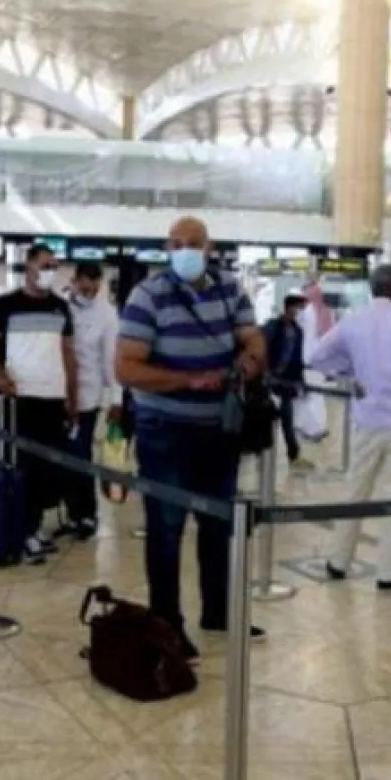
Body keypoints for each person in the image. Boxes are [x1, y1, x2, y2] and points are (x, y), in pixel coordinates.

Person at [117, 216, 267, 657]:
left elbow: (255, 343)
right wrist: (192, 381)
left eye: (193, 244)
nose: (184, 250)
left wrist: (241, 368)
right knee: (166, 528)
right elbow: (126, 368)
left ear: (209, 247)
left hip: (219, 430)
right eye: (176, 244)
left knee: (218, 526)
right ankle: (168, 623)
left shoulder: (229, 289)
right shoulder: (148, 295)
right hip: (165, 431)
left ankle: (217, 612)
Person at [309, 264, 391, 591]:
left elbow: (318, 356)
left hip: (368, 421)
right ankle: (387, 572)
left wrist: (349, 375)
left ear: (371, 288)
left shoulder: (353, 321)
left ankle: (339, 561)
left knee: (356, 489)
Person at [0, 244, 79, 564]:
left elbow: (67, 354)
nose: (50, 270)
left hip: (53, 398)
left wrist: (72, 397)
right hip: (20, 398)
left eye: (54, 265)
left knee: (46, 470)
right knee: (20, 466)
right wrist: (1, 376)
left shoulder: (61, 308)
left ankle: (34, 527)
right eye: (45, 264)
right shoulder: (7, 304)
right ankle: (20, 531)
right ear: (29, 267)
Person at [62, 261, 121, 541]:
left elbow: (111, 359)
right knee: (59, 456)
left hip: (87, 396)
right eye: (84, 282)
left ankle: (85, 514)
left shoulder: (107, 315)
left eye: (94, 284)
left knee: (80, 454)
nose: (89, 288)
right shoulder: (60, 306)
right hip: (55, 393)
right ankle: (67, 511)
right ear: (74, 280)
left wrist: (116, 398)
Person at [263, 291, 312, 472]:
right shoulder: (272, 326)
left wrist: (301, 381)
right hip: (268, 381)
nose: (301, 312)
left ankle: (294, 455)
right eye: (299, 308)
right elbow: (262, 349)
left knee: (287, 418)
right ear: (289, 308)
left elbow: (297, 359)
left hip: (285, 382)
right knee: (264, 418)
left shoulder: (298, 331)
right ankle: (260, 455)